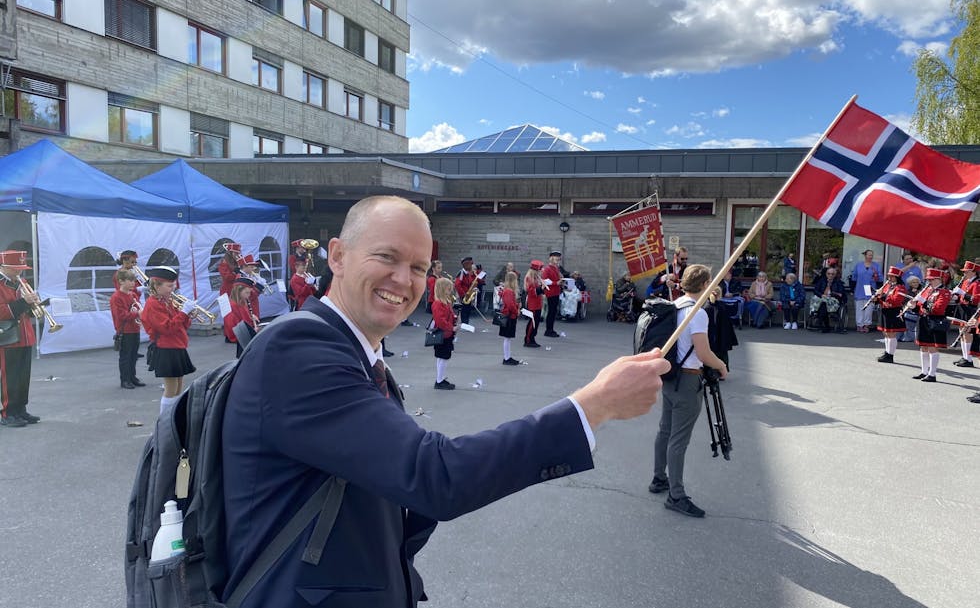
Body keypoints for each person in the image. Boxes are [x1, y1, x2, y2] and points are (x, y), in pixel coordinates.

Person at [221, 196, 670, 608]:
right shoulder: (299, 350)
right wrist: (594, 405)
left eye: (419, 267)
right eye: (386, 257)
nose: (404, 279)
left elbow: (392, 492)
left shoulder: (356, 354)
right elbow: (432, 476)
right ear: (337, 256)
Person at [648, 264, 728, 518]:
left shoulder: (676, 304)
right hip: (688, 379)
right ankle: (676, 494)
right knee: (678, 439)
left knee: (665, 430)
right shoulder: (698, 313)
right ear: (705, 285)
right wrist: (721, 365)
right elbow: (703, 353)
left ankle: (659, 478)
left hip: (670, 376)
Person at [141, 266, 197, 415]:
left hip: (176, 345)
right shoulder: (153, 304)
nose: (173, 289)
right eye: (170, 286)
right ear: (157, 285)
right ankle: (164, 419)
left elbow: (182, 325)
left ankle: (174, 415)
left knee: (178, 386)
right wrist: (183, 312)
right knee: (171, 388)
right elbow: (166, 328)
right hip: (165, 348)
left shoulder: (167, 301)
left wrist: (187, 314)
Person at [0, 250, 41, 427]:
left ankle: (20, 410)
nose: (20, 272)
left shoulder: (21, 282)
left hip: (25, 335)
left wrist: (34, 305)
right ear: (5, 267)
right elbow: (2, 311)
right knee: (9, 378)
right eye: (16, 268)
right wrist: (24, 302)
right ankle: (7, 413)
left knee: (23, 376)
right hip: (8, 338)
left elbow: (27, 310)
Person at [911, 267, 952, 382]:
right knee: (923, 346)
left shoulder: (944, 292)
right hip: (924, 320)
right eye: (928, 280)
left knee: (932, 347)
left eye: (931, 279)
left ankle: (932, 374)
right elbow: (920, 306)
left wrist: (923, 303)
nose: (929, 282)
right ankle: (924, 371)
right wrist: (914, 306)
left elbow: (938, 309)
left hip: (935, 321)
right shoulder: (928, 290)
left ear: (938, 279)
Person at [110, 269, 146, 389]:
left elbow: (134, 310)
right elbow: (121, 316)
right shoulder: (116, 297)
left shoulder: (132, 295)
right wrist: (138, 314)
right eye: (130, 280)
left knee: (133, 356)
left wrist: (138, 314)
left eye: (134, 280)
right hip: (125, 331)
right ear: (121, 281)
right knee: (125, 357)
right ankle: (125, 380)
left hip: (134, 329)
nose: (133, 283)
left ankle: (132, 377)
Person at [873, 265, 908, 364]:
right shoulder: (888, 286)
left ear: (897, 277)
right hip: (885, 310)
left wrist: (882, 296)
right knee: (886, 333)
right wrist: (876, 298)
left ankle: (890, 355)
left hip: (894, 311)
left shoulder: (900, 288)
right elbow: (882, 298)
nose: (889, 278)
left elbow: (896, 300)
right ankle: (887, 352)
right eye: (889, 276)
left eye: (892, 276)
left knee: (892, 334)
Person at [430, 277, 458, 389]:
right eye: (448, 288)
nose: (450, 290)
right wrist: (452, 328)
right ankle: (439, 380)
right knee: (443, 357)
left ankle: (440, 378)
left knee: (443, 357)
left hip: (447, 334)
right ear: (442, 289)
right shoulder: (438, 303)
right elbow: (440, 321)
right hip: (443, 334)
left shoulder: (446, 302)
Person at [951, 260, 980, 368]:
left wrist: (962, 293)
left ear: (973, 272)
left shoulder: (977, 283)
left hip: (970, 309)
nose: (964, 274)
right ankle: (964, 356)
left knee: (967, 333)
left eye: (966, 272)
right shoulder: (965, 281)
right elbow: (961, 296)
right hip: (962, 307)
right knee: (961, 332)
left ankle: (969, 359)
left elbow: (975, 299)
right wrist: (955, 296)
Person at [704, 286, 738, 370]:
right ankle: (723, 369)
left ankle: (710, 370)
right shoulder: (722, 307)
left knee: (711, 353)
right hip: (722, 335)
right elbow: (728, 323)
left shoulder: (706, 307)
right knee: (722, 353)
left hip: (710, 335)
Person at [226, 276, 260, 358]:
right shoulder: (233, 305)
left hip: (246, 335)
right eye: (247, 293)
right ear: (238, 291)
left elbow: (246, 316)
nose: (248, 296)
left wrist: (252, 316)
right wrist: (251, 330)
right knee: (245, 357)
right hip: (243, 336)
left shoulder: (243, 301)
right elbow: (234, 324)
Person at [851, 249, 882, 333]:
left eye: (872, 255)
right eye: (869, 255)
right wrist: (852, 288)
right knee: (859, 308)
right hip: (860, 288)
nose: (870, 257)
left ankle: (866, 325)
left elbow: (880, 278)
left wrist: (876, 277)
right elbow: (854, 277)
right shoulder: (858, 265)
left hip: (870, 288)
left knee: (869, 308)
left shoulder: (876, 266)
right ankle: (859, 325)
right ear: (865, 256)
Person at [811, 266, 847, 333]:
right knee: (823, 304)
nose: (830, 275)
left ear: (835, 275)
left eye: (832, 274)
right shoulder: (821, 281)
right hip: (822, 299)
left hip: (833, 302)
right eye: (829, 273)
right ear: (826, 274)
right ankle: (826, 326)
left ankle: (821, 323)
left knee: (823, 304)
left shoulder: (838, 283)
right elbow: (815, 290)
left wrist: (832, 294)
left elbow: (841, 294)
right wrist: (821, 295)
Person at [499, 271, 520, 365]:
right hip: (509, 317)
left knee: (507, 338)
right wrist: (517, 310)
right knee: (507, 338)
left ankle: (507, 356)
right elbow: (510, 305)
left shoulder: (506, 290)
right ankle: (506, 358)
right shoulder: (509, 291)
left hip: (508, 316)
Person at [523, 260, 545, 347]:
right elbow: (531, 292)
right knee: (532, 323)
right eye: (539, 270)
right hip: (533, 304)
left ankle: (532, 338)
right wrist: (541, 288)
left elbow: (539, 291)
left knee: (536, 323)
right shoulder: (530, 278)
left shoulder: (536, 278)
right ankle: (528, 340)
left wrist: (543, 288)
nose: (540, 272)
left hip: (537, 303)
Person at [454, 256, 481, 325]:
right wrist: (463, 294)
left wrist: (474, 289)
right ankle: (464, 323)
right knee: (464, 310)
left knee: (468, 309)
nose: (472, 266)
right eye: (471, 264)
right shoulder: (461, 273)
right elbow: (457, 285)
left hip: (468, 294)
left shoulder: (467, 273)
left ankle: (466, 323)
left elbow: (470, 283)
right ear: (466, 265)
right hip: (464, 295)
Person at [542, 251, 563, 337]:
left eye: (558, 258)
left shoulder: (556, 268)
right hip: (550, 293)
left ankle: (551, 329)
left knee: (553, 312)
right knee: (551, 312)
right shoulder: (547, 269)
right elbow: (545, 281)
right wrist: (556, 283)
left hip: (556, 292)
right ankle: (548, 330)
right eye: (556, 258)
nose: (558, 259)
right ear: (551, 258)